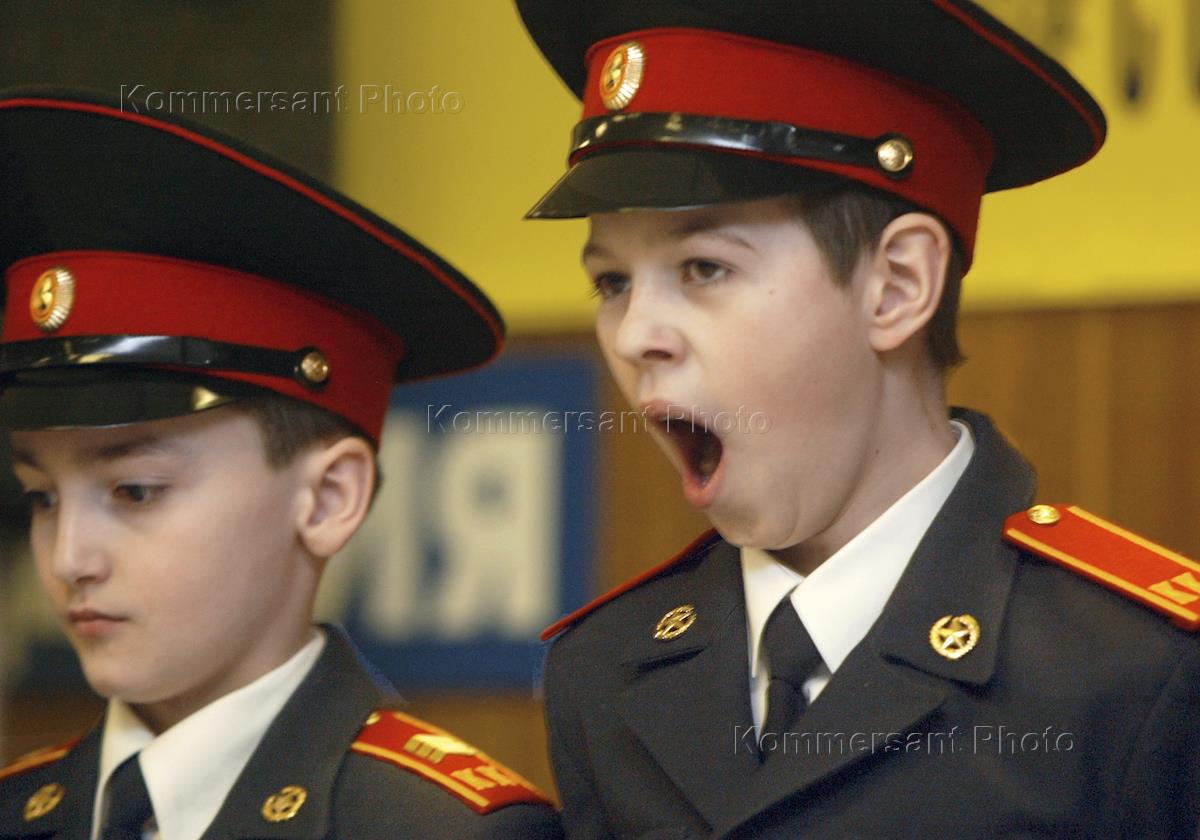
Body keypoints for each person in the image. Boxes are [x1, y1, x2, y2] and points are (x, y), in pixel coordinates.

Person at [517, 2, 1200, 837]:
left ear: (898, 285)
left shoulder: (1141, 671)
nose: (634, 336)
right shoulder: (605, 671)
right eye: (612, 282)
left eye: (703, 267)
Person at [0, 89, 562, 839]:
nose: (70, 558)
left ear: (328, 498)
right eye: (40, 497)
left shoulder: (430, 828)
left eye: (135, 491)